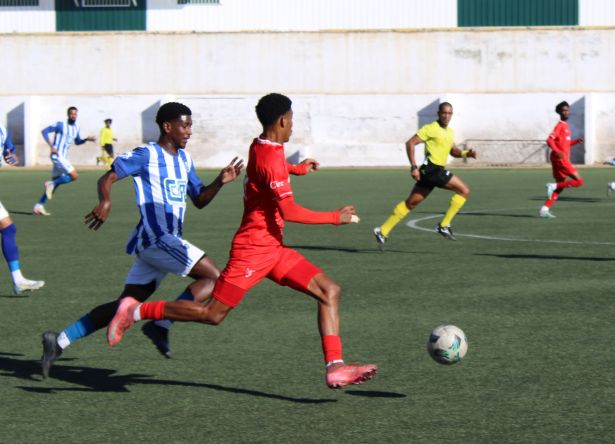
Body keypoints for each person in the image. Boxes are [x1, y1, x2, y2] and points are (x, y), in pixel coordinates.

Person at [104, 93, 377, 390]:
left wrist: (297, 168)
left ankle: (335, 367)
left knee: (329, 291)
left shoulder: (261, 145)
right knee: (212, 314)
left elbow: (269, 169)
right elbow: (289, 210)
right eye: (292, 121)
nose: (293, 127)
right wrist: (336, 217)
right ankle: (135, 311)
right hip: (252, 251)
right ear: (283, 120)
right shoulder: (270, 156)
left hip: (273, 248)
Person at [40, 102, 244, 378]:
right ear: (167, 127)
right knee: (215, 278)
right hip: (157, 239)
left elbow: (199, 200)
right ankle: (161, 324)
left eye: (191, 126)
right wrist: (106, 200)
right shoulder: (147, 154)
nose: (189, 131)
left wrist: (220, 181)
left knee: (123, 304)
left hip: (164, 244)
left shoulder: (184, 160)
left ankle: (59, 340)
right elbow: (108, 176)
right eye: (184, 126)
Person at [373, 102, 476, 248]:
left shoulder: (449, 131)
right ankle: (444, 225)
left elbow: (453, 151)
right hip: (432, 170)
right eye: (444, 113)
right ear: (438, 114)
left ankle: (382, 230)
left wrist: (467, 154)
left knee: (411, 203)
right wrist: (414, 167)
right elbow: (410, 143)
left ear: (452, 115)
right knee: (464, 190)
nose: (446, 116)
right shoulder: (430, 129)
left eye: (449, 113)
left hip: (431, 172)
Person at [1, 125, 45, 295]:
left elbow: (8, 151)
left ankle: (18, 280)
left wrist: (10, 156)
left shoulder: (3, 130)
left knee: (8, 229)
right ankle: (18, 280)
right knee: (8, 229)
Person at [34, 106, 96, 216]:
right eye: (72, 114)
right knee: (74, 176)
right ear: (68, 114)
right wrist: (51, 145)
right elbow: (44, 131)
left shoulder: (76, 127)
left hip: (63, 157)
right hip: (57, 155)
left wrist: (86, 139)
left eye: (75, 114)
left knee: (55, 184)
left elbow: (77, 142)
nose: (74, 116)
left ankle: (39, 206)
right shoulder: (60, 124)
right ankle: (51, 183)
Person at [539, 101, 584, 219]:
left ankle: (544, 209)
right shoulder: (559, 125)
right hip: (561, 159)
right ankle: (552, 186)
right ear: (559, 112)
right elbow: (549, 140)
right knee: (579, 181)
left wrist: (576, 142)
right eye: (564, 110)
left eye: (567, 110)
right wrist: (557, 151)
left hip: (558, 158)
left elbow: (565, 143)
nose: (567, 112)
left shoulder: (565, 125)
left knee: (560, 186)